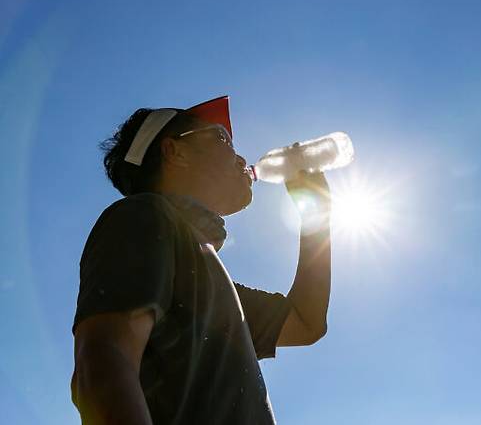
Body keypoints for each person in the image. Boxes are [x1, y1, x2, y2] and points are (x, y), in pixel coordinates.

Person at [70, 96, 331, 424]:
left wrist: (318, 217)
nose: (240, 157)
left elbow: (306, 322)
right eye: (221, 138)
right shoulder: (143, 216)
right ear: (173, 152)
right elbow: (104, 361)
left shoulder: (208, 281)